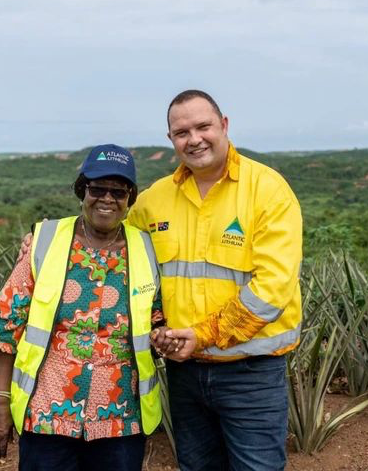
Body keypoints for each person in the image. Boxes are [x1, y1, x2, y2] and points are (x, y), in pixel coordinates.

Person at [128, 90, 303, 471]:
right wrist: (51, 239)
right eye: (181, 132)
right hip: (184, 373)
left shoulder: (268, 190)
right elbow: (113, 249)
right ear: (171, 140)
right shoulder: (154, 200)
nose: (194, 139)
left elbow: (272, 288)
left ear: (224, 125)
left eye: (203, 126)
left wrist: (204, 334)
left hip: (251, 374)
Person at [0, 144, 163, 471]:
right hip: (47, 414)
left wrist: (164, 337)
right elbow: (5, 326)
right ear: (81, 191)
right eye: (97, 188)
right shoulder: (45, 242)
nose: (107, 198)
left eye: (117, 191)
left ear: (130, 198)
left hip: (120, 418)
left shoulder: (146, 249)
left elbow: (157, 320)